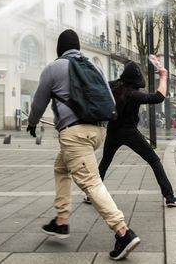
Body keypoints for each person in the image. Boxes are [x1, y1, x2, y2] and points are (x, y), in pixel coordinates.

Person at [26, 29, 140, 261]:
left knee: (90, 182)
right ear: (78, 47)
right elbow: (109, 97)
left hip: (74, 134)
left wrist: (32, 123)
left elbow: (39, 102)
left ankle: (123, 232)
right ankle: (61, 220)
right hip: (98, 130)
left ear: (60, 48)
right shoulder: (93, 66)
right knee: (61, 167)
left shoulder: (53, 68)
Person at [86, 61, 176, 207]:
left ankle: (91, 196)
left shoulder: (115, 86)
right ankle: (170, 197)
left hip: (113, 131)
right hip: (130, 133)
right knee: (154, 161)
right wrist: (163, 76)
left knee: (105, 162)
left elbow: (100, 84)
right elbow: (158, 97)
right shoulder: (134, 94)